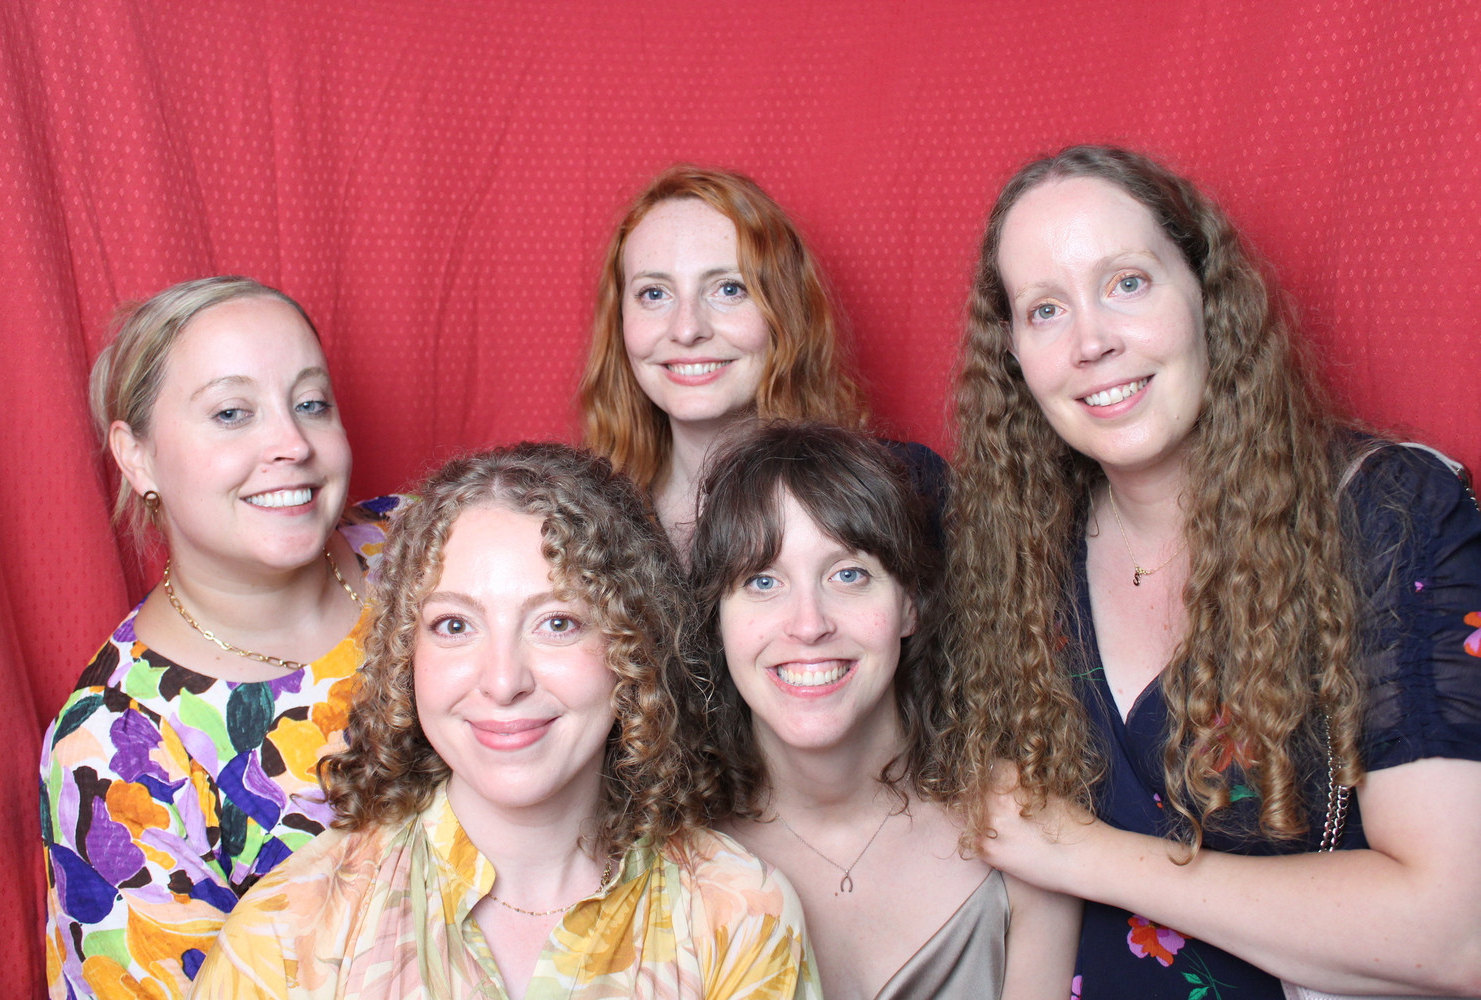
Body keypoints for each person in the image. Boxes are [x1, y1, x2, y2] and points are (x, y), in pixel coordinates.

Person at [948, 144, 1481, 998]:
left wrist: (1088, 854)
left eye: (1128, 283)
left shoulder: (1391, 517)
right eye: (1045, 310)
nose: (1092, 341)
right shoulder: (1016, 555)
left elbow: (1457, 933)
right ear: (1013, 354)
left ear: (1207, 294)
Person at [189, 443, 816, 1000]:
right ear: (406, 653)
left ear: (634, 646)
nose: (502, 680)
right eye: (454, 625)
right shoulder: (286, 931)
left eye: (558, 622)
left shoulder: (737, 915)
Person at [40, 276, 401, 1000]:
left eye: (311, 403)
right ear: (137, 456)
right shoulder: (114, 752)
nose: (292, 443)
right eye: (232, 413)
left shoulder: (426, 544)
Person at [688, 422, 1079, 1000]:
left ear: (910, 605)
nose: (809, 625)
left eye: (849, 575)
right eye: (762, 581)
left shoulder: (1023, 831)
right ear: (717, 622)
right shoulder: (670, 863)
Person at [578, 164, 944, 550]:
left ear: (785, 311)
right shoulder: (582, 520)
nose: (686, 330)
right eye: (654, 293)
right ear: (620, 320)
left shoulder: (911, 488)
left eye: (729, 289)